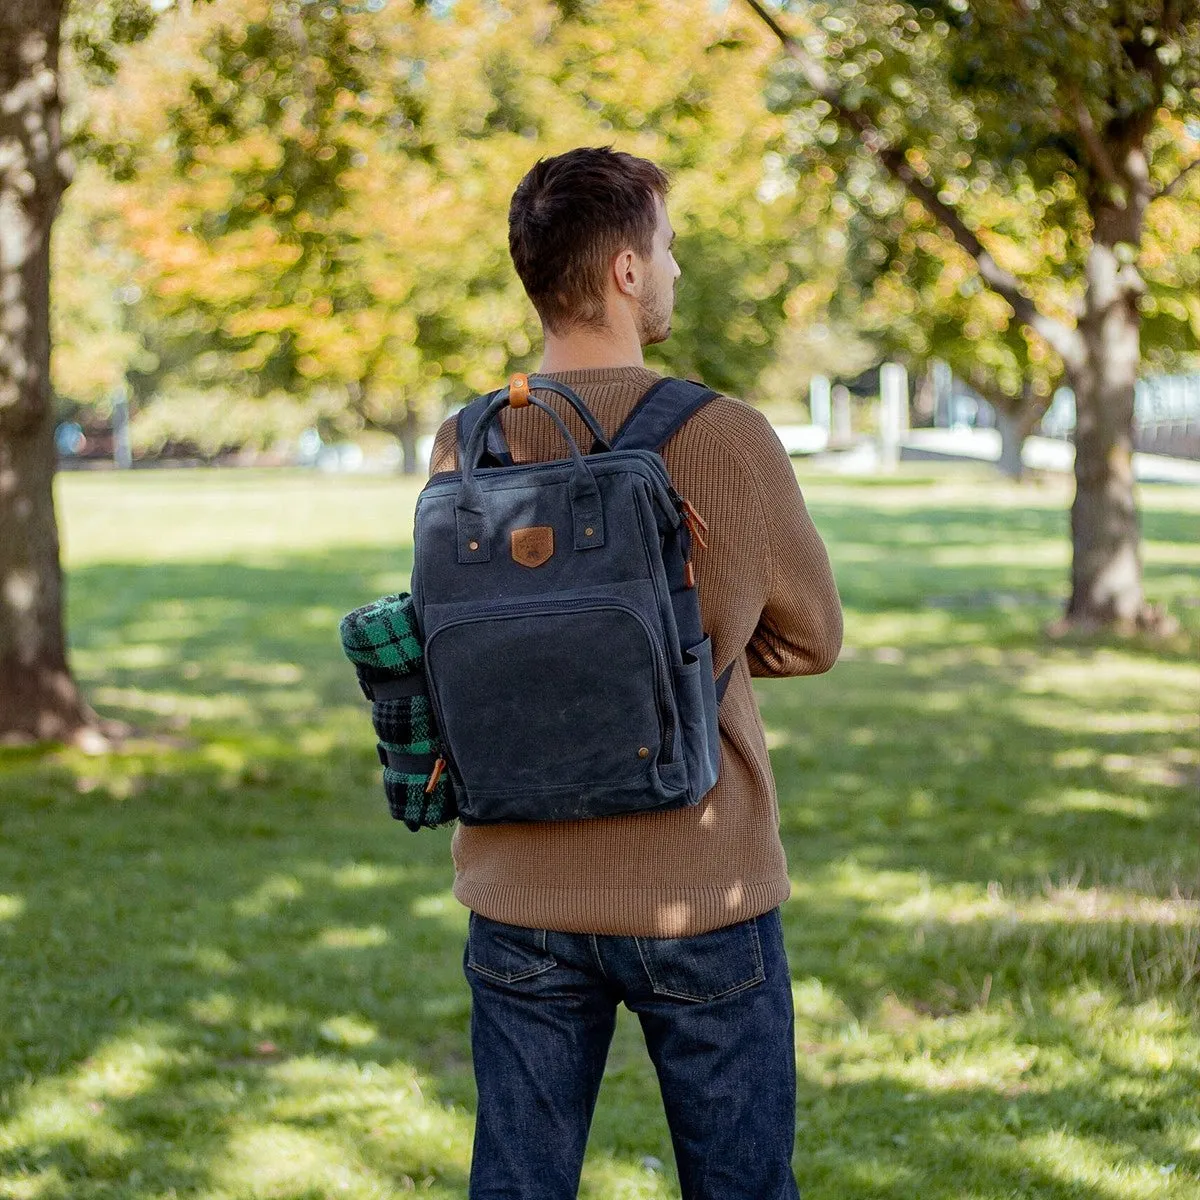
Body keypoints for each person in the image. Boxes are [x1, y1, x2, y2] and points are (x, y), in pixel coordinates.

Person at [427, 146, 843, 1200]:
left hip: (518, 886)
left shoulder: (464, 444)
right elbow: (812, 638)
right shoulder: (724, 436)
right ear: (622, 271)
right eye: (664, 247)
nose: (672, 270)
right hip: (699, 888)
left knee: (517, 1182)